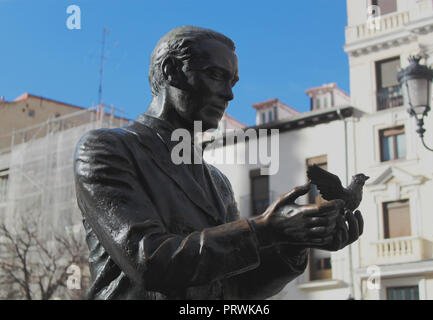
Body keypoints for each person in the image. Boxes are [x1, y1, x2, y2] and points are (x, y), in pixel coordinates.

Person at [74, 26, 363, 300]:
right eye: (216, 75)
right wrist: (265, 229)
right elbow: (148, 260)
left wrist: (295, 242)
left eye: (232, 81)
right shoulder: (107, 149)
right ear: (171, 71)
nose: (229, 94)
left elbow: (235, 288)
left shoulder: (217, 182)